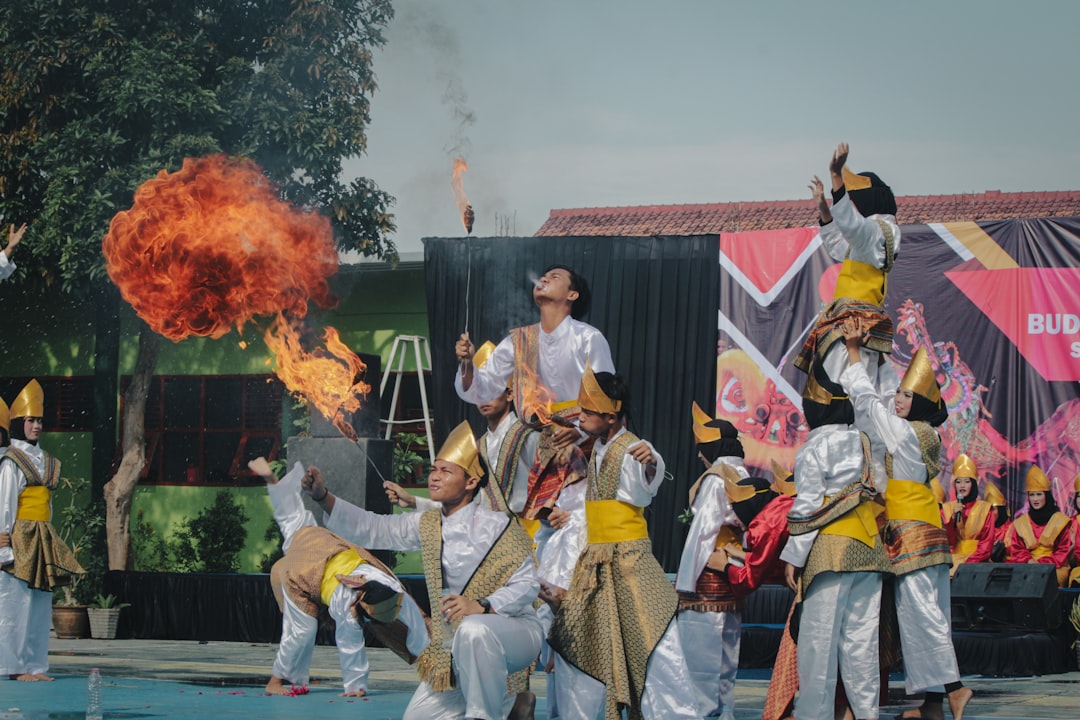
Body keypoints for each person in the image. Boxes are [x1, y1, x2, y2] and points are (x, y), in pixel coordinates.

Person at [311, 420, 543, 720]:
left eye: (446, 471)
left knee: (474, 629)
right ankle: (514, 706)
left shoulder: (499, 525)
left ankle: (482, 714)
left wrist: (483, 606)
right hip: (455, 645)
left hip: (514, 632)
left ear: (471, 482)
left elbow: (527, 586)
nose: (434, 477)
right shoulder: (428, 525)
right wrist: (322, 496)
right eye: (434, 469)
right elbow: (373, 527)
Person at [548, 367, 698, 720]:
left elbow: (648, 478)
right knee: (579, 643)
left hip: (629, 562)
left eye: (586, 413)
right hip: (596, 561)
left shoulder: (631, 448)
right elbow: (561, 418)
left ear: (611, 416)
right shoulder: (599, 444)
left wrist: (652, 464)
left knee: (656, 647)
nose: (580, 418)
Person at [838, 324, 970, 720]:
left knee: (919, 614)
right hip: (926, 530)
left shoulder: (910, 433)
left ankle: (955, 688)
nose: (896, 399)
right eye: (899, 391)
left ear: (922, 402)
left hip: (911, 533)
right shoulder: (923, 433)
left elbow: (866, 402)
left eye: (905, 394)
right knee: (931, 613)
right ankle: (931, 703)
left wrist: (854, 353)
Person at [250, 456, 429, 697]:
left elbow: (289, 513)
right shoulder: (346, 603)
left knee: (293, 521)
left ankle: (278, 678)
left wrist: (271, 478)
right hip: (303, 573)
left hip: (322, 548)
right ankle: (275, 681)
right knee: (301, 631)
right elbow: (349, 643)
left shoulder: (391, 589)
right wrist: (355, 687)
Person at [455, 265, 614, 522]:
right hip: (543, 446)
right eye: (543, 276)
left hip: (587, 444)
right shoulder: (519, 342)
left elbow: (606, 392)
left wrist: (581, 428)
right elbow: (483, 388)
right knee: (543, 530)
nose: (543, 279)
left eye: (555, 277)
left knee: (579, 528)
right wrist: (466, 363)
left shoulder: (588, 338)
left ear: (572, 295)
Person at [780, 359, 889, 720]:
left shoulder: (814, 447)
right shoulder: (864, 442)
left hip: (830, 549)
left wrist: (793, 556)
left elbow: (808, 506)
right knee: (861, 644)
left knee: (818, 645)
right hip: (870, 549)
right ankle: (867, 715)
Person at [797, 144, 901, 394]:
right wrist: (824, 206)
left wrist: (836, 176)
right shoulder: (868, 237)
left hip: (858, 327)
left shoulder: (881, 231)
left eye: (852, 197)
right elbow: (838, 244)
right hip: (849, 324)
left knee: (850, 389)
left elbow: (854, 228)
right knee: (839, 384)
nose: (852, 203)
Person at [0, 380, 83, 682]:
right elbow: (5, 505)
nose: (36, 426)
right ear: (19, 423)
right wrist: (4, 547)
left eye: (39, 421)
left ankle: (35, 666)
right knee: (14, 604)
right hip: (18, 538)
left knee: (38, 605)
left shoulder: (44, 459)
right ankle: (13, 667)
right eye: (31, 420)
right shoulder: (11, 462)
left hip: (41, 536)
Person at [674, 403, 748, 720]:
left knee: (701, 649)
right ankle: (726, 709)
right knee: (728, 646)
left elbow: (703, 532)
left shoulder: (716, 478)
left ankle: (703, 711)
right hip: (734, 565)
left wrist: (685, 583)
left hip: (708, 569)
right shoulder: (743, 473)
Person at [1006, 466, 1072, 586]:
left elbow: (1063, 550)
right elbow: (1017, 549)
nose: (1035, 499)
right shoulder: (1021, 522)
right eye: (1032, 495)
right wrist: (1029, 561)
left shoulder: (1060, 520)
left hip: (1055, 567)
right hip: (1027, 565)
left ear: (1046, 495)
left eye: (1039, 494)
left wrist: (1042, 563)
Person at [944, 454, 995, 573]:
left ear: (973, 483)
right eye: (958, 482)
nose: (962, 486)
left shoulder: (985, 508)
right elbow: (946, 542)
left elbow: (987, 543)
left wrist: (967, 565)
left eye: (966, 482)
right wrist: (952, 520)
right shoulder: (947, 508)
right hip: (951, 564)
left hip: (977, 565)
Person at [983, 481, 1012, 563]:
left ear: (1000, 510)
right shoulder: (983, 529)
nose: (990, 513)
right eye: (988, 509)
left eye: (993, 509)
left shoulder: (1011, 528)